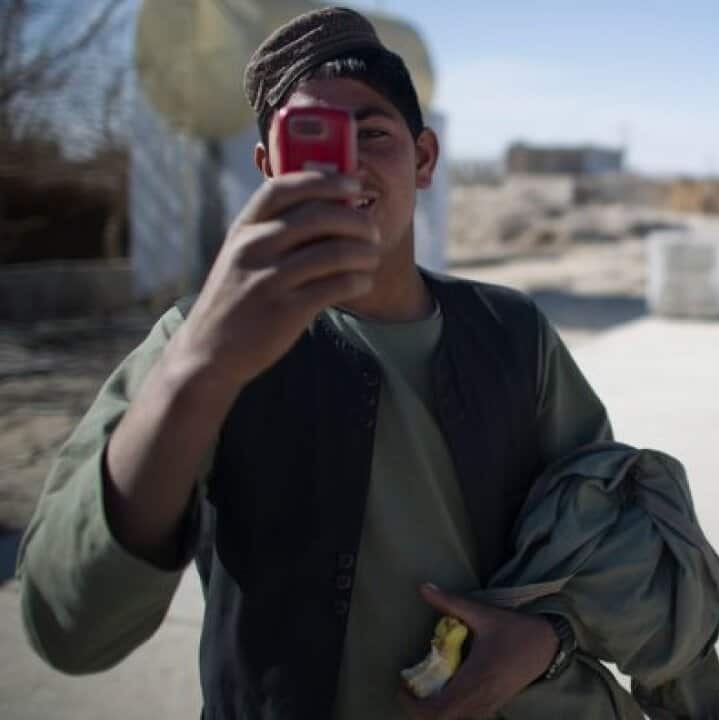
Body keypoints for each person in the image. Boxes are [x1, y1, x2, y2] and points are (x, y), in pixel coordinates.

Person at [15, 7, 652, 719]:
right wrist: (202, 367)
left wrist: (547, 640)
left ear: (425, 159)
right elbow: (68, 628)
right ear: (267, 169)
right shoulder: (195, 340)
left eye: (373, 134)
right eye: (310, 139)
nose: (345, 163)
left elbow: (613, 542)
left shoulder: (515, 333)